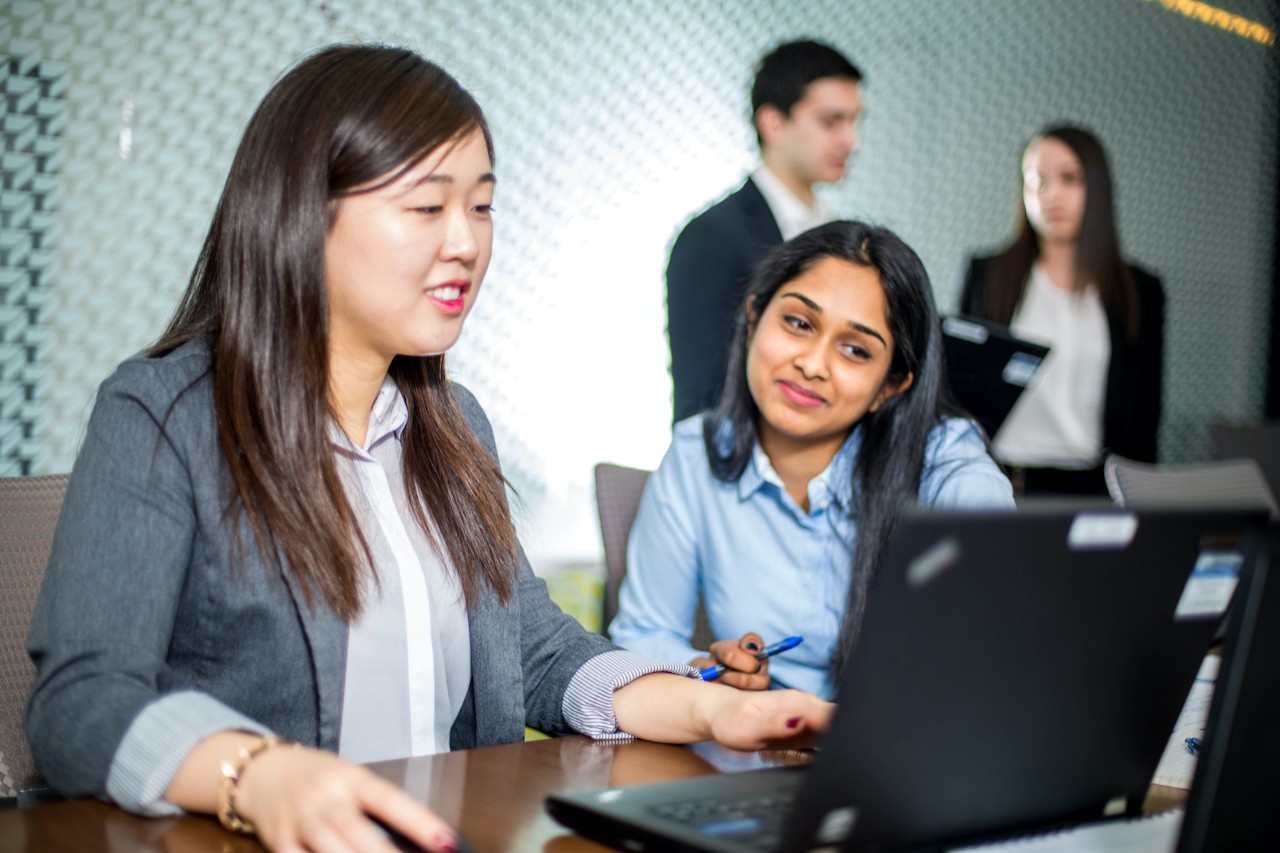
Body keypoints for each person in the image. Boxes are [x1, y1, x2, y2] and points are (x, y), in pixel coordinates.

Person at [24, 45, 831, 853]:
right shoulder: (163, 413)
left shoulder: (454, 423)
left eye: (481, 207)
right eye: (426, 207)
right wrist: (258, 774)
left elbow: (538, 651)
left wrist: (708, 706)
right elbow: (82, 700)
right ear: (307, 213)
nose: (467, 244)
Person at [612, 221, 1014, 700]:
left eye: (855, 350)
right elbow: (642, 635)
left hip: (893, 754)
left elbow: (996, 586)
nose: (813, 364)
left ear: (889, 386)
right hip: (761, 752)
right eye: (799, 323)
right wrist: (708, 668)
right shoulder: (696, 453)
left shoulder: (942, 457)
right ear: (755, 315)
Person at [959, 125, 1165, 496]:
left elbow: (1145, 418)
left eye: (1070, 179)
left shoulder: (1139, 291)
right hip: (1003, 483)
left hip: (1097, 489)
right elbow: (962, 394)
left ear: (1098, 189)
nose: (1051, 196)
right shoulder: (989, 275)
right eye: (1037, 181)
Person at [667, 39, 863, 423]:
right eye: (831, 121)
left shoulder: (846, 240)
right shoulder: (711, 238)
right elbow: (702, 403)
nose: (851, 141)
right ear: (774, 123)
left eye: (855, 121)